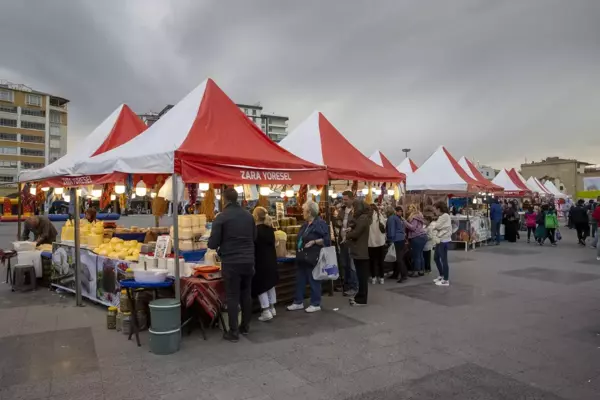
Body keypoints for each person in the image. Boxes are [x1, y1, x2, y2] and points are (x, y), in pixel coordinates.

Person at [207, 187, 257, 343]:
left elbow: (213, 243)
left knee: (233, 296)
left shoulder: (222, 217)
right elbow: (254, 237)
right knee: (246, 294)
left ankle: (233, 331)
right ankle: (245, 327)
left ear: (224, 199)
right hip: (248, 260)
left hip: (232, 262)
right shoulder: (249, 216)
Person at [288, 200, 330, 313]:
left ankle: (315, 303)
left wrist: (314, 242)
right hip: (302, 256)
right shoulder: (306, 224)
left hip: (313, 256)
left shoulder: (320, 224)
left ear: (310, 212)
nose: (302, 212)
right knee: (300, 279)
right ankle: (298, 302)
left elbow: (327, 240)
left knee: (314, 279)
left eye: (304, 210)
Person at [251, 207, 278, 322]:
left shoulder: (255, 231)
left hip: (260, 261)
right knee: (270, 284)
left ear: (256, 216)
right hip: (271, 260)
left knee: (261, 286)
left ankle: (266, 310)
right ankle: (272, 308)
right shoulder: (270, 229)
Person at [345, 200, 372, 306]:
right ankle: (359, 296)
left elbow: (356, 233)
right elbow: (354, 225)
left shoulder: (363, 218)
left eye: (355, 207)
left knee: (362, 276)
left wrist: (348, 234)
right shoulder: (363, 218)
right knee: (361, 276)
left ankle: (361, 299)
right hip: (360, 251)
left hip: (360, 251)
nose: (354, 209)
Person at [335, 191, 358, 297]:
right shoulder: (343, 210)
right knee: (344, 264)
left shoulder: (356, 210)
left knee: (352, 264)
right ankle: (346, 285)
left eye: (345, 199)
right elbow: (338, 221)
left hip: (351, 240)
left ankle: (354, 286)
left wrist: (350, 227)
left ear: (351, 199)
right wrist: (339, 222)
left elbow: (358, 224)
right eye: (343, 199)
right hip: (342, 239)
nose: (343, 201)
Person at [404, 204, 428, 277]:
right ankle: (421, 270)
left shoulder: (414, 217)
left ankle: (416, 271)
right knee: (420, 255)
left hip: (416, 237)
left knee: (416, 255)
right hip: (423, 236)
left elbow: (413, 228)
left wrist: (404, 222)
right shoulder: (419, 216)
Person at [432, 201, 451, 286]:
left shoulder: (445, 216)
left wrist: (434, 226)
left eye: (435, 209)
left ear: (439, 209)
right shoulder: (441, 216)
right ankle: (442, 275)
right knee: (436, 258)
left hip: (444, 240)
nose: (434, 211)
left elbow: (437, 226)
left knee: (444, 260)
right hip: (439, 240)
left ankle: (446, 280)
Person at [387, 206, 408, 283]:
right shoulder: (398, 218)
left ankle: (403, 275)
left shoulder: (392, 218)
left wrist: (390, 240)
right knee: (399, 258)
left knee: (398, 258)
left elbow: (392, 230)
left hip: (396, 239)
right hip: (401, 238)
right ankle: (396, 274)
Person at [367, 203, 386, 284]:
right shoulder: (380, 216)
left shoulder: (367, 218)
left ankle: (373, 277)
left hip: (370, 243)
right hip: (380, 242)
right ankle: (381, 278)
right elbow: (384, 227)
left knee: (372, 261)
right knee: (381, 261)